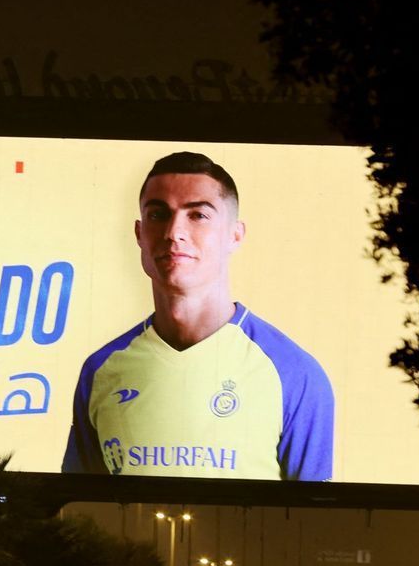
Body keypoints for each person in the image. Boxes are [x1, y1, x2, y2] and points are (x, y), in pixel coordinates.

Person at [62, 151, 334, 481]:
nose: (174, 232)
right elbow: (79, 515)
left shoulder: (294, 373)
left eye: (198, 216)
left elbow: (311, 523)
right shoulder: (101, 371)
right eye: (158, 215)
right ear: (139, 234)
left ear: (235, 234)